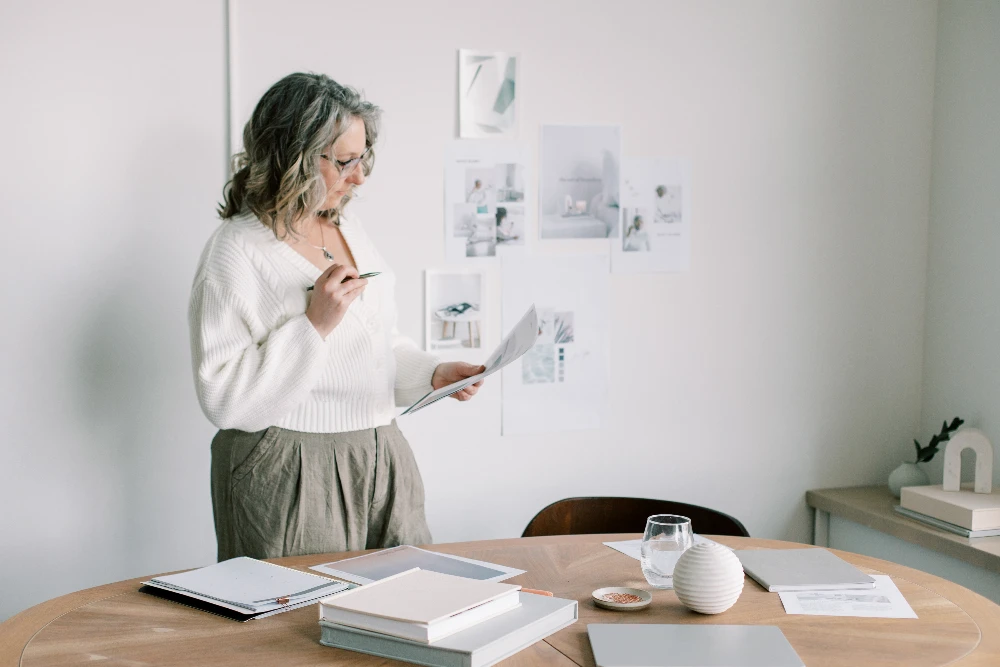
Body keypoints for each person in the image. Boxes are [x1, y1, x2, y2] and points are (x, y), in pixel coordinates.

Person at [189, 72, 485, 561]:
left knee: (407, 602)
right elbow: (224, 399)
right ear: (294, 158)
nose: (360, 177)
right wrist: (313, 325)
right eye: (346, 161)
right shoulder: (234, 252)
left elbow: (377, 342)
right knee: (296, 626)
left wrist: (432, 374)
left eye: (363, 157)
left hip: (382, 452)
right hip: (288, 465)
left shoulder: (347, 227)